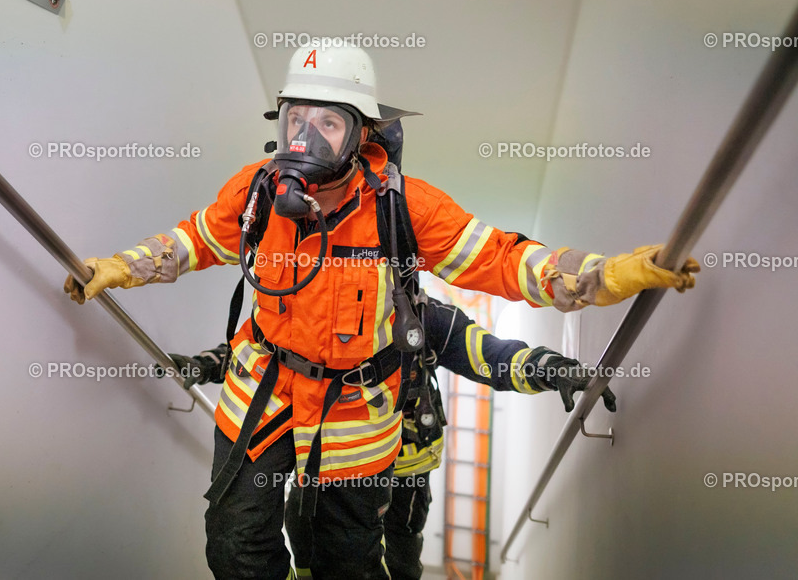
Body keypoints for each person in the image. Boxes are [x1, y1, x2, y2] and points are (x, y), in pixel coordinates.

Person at [63, 45, 699, 580]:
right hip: (262, 392)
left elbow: (507, 261)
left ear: (362, 133)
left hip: (356, 419)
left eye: (328, 123)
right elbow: (191, 241)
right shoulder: (255, 190)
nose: (305, 137)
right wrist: (115, 268)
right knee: (232, 545)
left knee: (350, 562)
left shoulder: (406, 209)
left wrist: (613, 274)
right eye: (295, 119)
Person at [166, 296, 615, 579]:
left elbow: (490, 356)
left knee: (398, 559)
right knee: (307, 538)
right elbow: (267, 353)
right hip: (333, 463)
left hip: (404, 472)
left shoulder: (427, 318)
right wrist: (205, 363)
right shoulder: (319, 303)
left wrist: (549, 367)